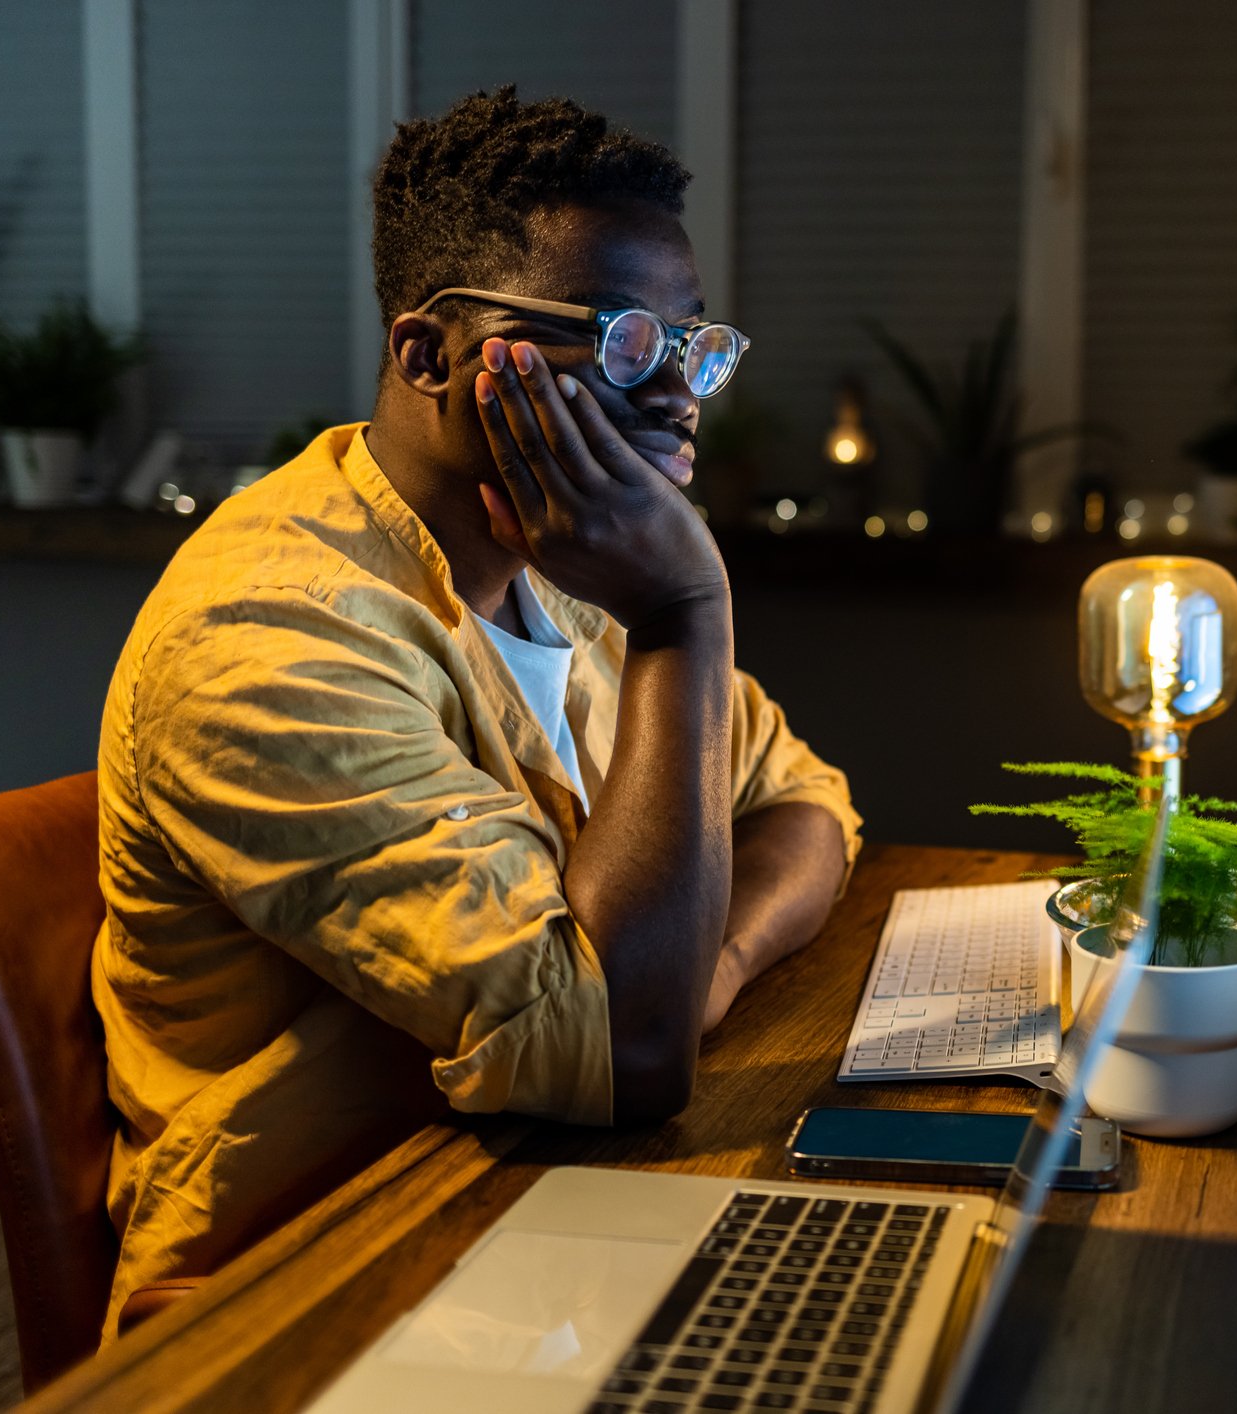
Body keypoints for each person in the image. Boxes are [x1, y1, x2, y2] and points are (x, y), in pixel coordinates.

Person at [91, 90, 860, 1335]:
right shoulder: (267, 635)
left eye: (690, 344)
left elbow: (799, 801)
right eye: (616, 339)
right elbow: (624, 1058)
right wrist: (687, 613)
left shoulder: (565, 566)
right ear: (428, 356)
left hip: (552, 1211)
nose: (676, 395)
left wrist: (698, 969)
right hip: (320, 1276)